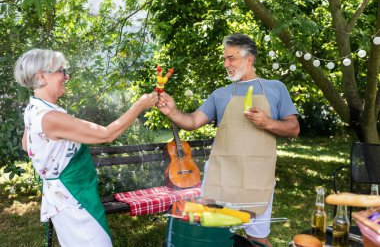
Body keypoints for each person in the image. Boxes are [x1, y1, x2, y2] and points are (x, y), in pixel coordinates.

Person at [157, 33, 300, 247]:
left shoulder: (275, 88)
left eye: (231, 58)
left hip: (257, 179)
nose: (226, 64)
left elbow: (294, 128)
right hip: (220, 177)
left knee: (258, 239)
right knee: (211, 237)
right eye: (225, 58)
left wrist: (267, 122)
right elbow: (193, 121)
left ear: (249, 59)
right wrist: (173, 111)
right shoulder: (220, 94)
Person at [14, 48, 158, 247]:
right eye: (61, 71)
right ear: (42, 76)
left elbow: (26, 144)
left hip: (65, 197)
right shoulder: (50, 117)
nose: (67, 76)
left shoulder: (33, 109)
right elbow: (107, 134)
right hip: (73, 198)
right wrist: (139, 106)